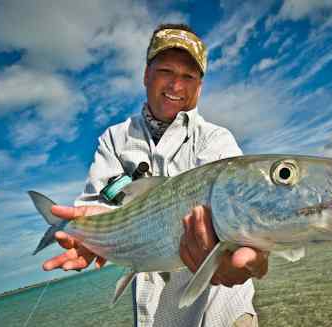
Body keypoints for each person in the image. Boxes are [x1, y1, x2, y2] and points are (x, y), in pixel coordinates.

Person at [43, 23, 268, 327]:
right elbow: (100, 202)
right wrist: (91, 234)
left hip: (223, 309)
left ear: (199, 86)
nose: (177, 85)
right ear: (146, 75)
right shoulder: (115, 138)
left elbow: (241, 207)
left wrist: (249, 252)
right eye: (166, 71)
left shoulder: (217, 140)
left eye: (188, 76)